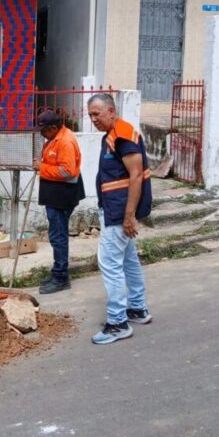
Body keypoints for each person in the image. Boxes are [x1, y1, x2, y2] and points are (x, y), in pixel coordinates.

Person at [87, 93, 153, 345]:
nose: (93, 119)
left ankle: (117, 323)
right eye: (91, 114)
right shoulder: (114, 135)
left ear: (112, 111)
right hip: (117, 210)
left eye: (97, 113)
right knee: (128, 261)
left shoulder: (123, 135)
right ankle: (137, 308)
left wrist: (128, 216)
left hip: (119, 213)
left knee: (110, 264)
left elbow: (136, 176)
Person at [33, 110, 85, 295]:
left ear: (53, 128)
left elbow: (67, 172)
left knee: (58, 236)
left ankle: (61, 277)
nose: (41, 134)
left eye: (43, 131)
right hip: (55, 194)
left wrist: (42, 167)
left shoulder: (65, 142)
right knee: (57, 234)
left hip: (62, 195)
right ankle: (58, 272)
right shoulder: (55, 138)